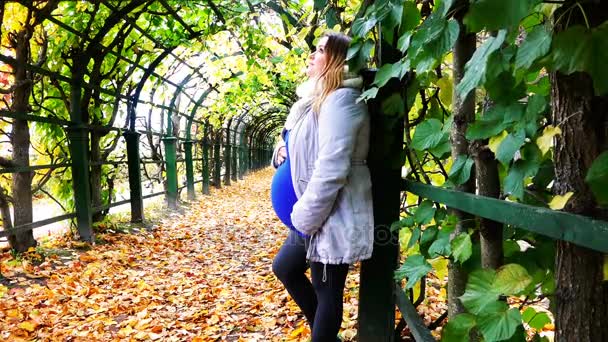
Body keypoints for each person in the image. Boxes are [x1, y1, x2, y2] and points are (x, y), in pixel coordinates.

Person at [270, 32, 374, 341]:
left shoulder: (343, 100)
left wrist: (305, 217)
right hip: (314, 214)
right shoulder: (317, 99)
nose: (312, 55)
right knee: (286, 267)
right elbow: (291, 143)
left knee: (326, 289)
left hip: (329, 212)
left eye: (320, 50)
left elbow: (332, 165)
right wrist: (280, 155)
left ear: (338, 59)